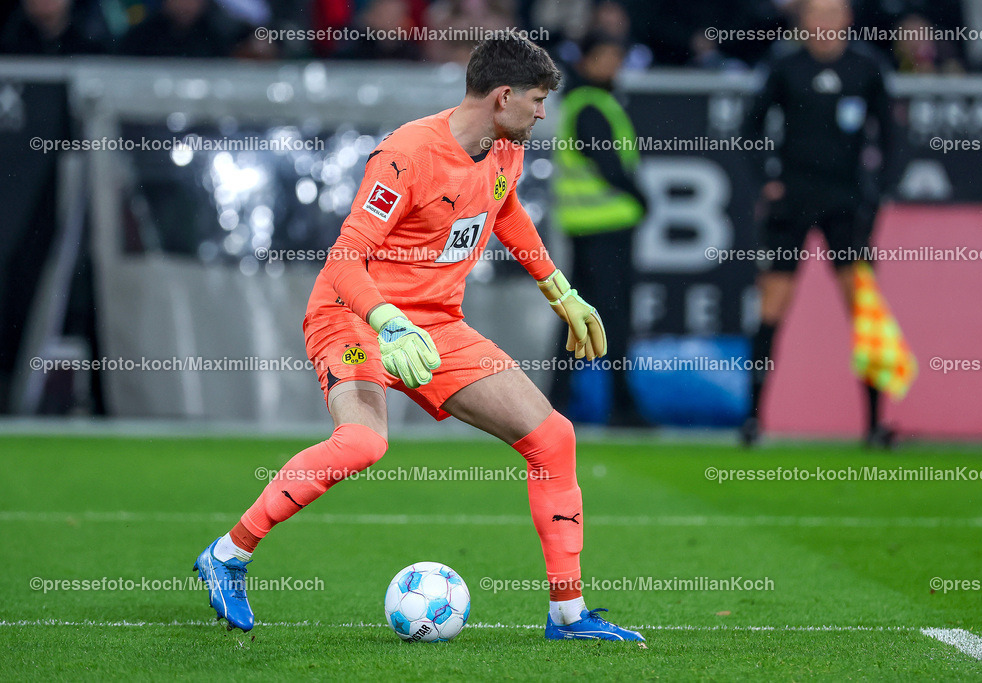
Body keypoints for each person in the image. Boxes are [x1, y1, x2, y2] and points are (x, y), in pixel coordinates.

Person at [193, 34, 644, 643]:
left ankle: (567, 616)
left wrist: (557, 288)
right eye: (536, 100)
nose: (543, 113)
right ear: (503, 95)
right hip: (354, 315)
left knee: (553, 438)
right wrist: (389, 322)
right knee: (361, 444)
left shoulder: (503, 147)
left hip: (434, 324)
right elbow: (345, 261)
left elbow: (503, 209)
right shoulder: (407, 155)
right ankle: (228, 554)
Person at [741, 0, 894, 448]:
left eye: (832, 14)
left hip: (846, 204)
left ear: (848, 20)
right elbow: (749, 128)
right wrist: (767, 181)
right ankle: (752, 420)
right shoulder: (784, 67)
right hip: (792, 202)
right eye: (815, 14)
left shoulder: (867, 68)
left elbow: (891, 134)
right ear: (802, 21)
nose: (824, 24)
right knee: (772, 308)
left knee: (864, 310)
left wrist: (879, 190)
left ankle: (874, 424)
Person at [548, 30, 648, 427]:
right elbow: (607, 162)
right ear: (585, 60)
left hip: (588, 228)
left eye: (616, 55)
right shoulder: (591, 104)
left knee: (579, 317)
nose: (613, 64)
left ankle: (558, 402)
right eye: (604, 55)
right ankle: (620, 406)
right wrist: (641, 196)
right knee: (614, 317)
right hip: (606, 228)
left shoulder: (588, 101)